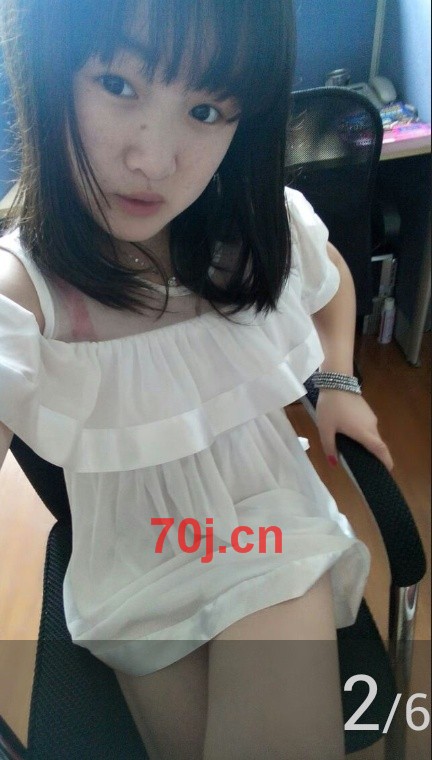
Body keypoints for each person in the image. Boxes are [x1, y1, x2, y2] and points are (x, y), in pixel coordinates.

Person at [0, 1, 393, 758]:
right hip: (137, 562)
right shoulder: (28, 288)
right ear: (50, 76)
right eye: (117, 84)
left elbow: (335, 278)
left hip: (267, 519)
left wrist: (339, 383)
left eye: (206, 109)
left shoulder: (253, 230)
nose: (155, 159)